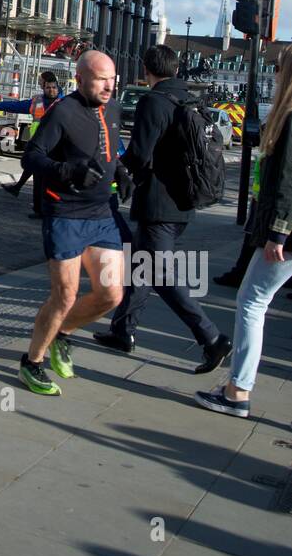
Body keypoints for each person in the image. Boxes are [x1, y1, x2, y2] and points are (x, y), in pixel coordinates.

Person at [93, 44, 232, 373]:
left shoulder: (154, 101)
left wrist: (115, 172)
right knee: (142, 268)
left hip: (159, 203)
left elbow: (140, 154)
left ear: (147, 69)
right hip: (183, 201)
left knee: (161, 274)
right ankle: (122, 330)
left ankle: (211, 338)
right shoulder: (189, 99)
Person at [17, 50, 131, 396]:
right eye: (101, 79)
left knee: (112, 293)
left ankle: (61, 335)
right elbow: (31, 157)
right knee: (65, 294)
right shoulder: (62, 112)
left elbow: (113, 148)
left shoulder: (112, 107)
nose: (109, 86)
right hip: (65, 213)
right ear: (80, 79)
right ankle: (32, 362)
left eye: (112, 78)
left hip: (101, 215)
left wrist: (123, 170)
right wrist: (67, 171)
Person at [196, 46, 292, 418]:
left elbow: (287, 180)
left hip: (283, 232)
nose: (276, 72)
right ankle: (238, 386)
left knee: (252, 302)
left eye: (280, 68)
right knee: (254, 300)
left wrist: (278, 233)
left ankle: (238, 390)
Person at [5, 71, 63, 214]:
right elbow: (18, 106)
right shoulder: (38, 100)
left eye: (53, 87)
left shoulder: (61, 102)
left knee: (44, 178)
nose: (51, 90)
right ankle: (38, 208)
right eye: (48, 87)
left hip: (53, 146)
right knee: (37, 175)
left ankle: (22, 191)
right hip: (38, 142)